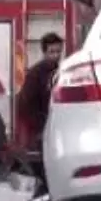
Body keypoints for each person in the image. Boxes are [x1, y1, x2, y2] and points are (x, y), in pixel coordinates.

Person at [15, 32, 64, 190]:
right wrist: (39, 126)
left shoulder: (60, 72)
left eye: (58, 51)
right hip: (39, 126)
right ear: (44, 52)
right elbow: (25, 103)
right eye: (52, 52)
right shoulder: (36, 74)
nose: (56, 56)